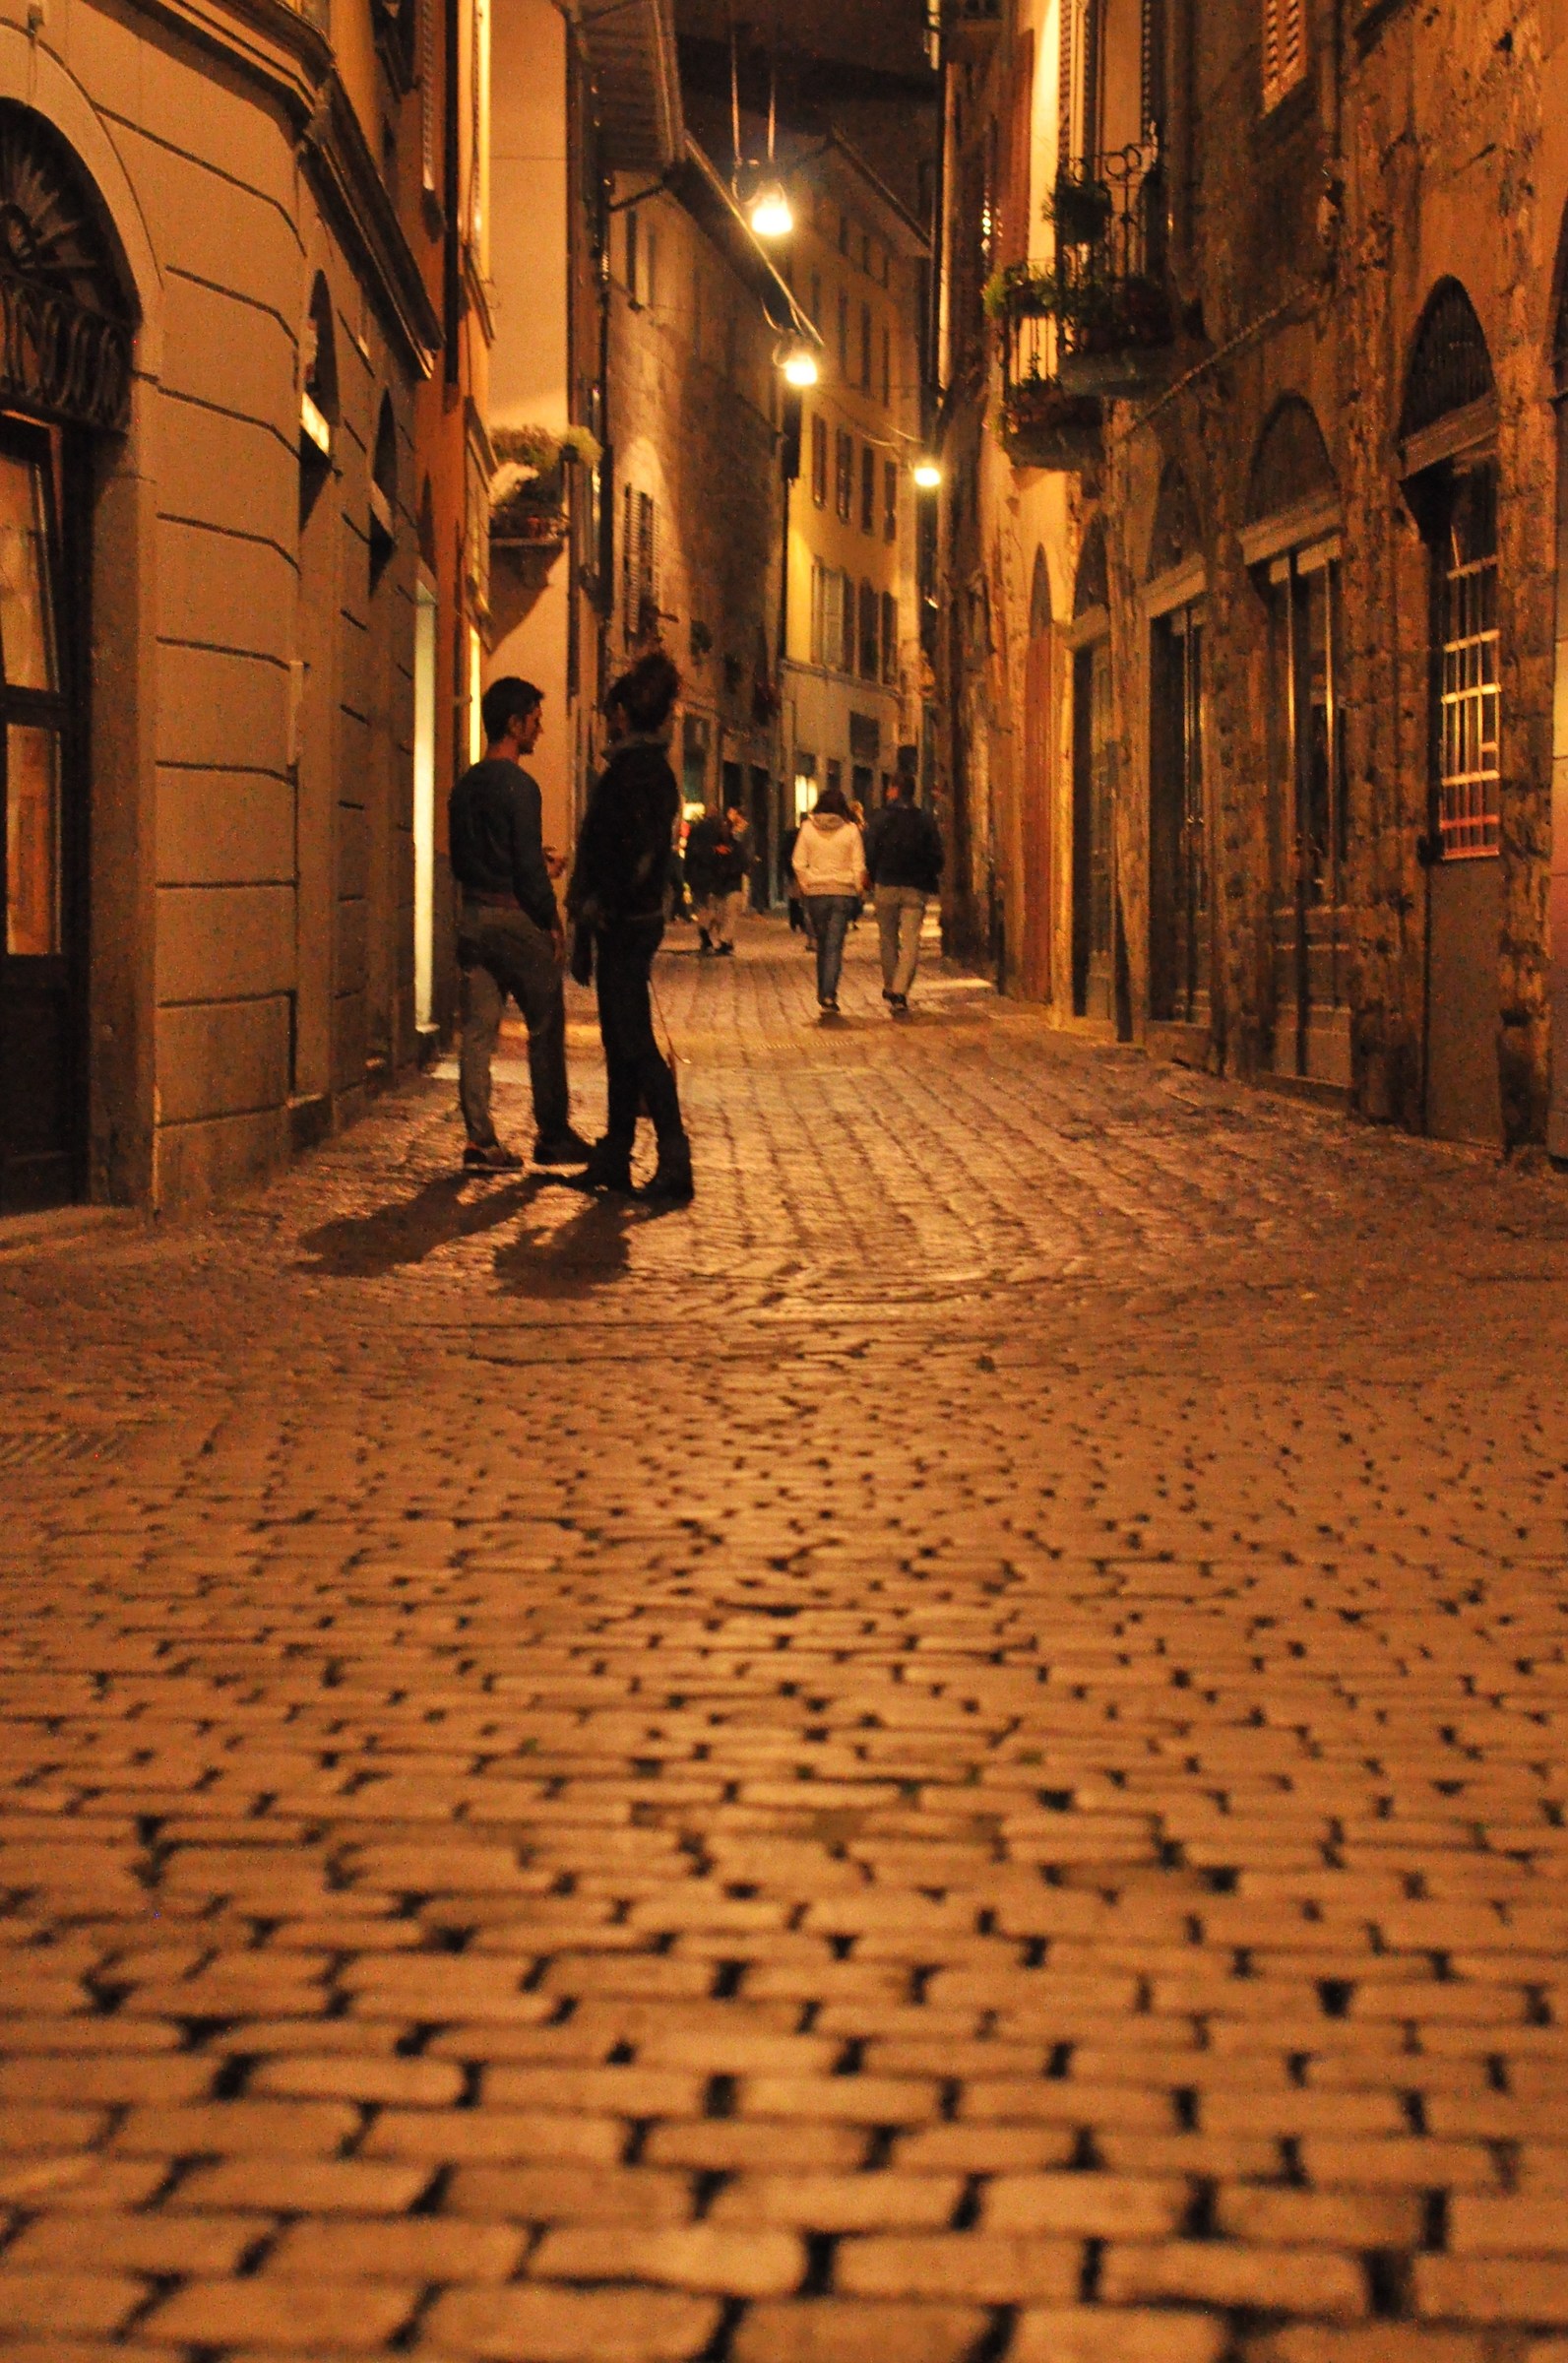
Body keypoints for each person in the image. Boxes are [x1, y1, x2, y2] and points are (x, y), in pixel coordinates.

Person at [449, 677, 594, 1174]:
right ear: (514, 724)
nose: (540, 726)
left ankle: (480, 1140)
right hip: (515, 918)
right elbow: (528, 872)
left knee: (477, 1031)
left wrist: (531, 862)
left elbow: (472, 857)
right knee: (546, 1024)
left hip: (473, 915)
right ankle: (552, 1134)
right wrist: (551, 920)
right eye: (534, 717)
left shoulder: (465, 785)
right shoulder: (520, 787)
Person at [567, 652, 695, 1205]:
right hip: (622, 915)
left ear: (623, 714)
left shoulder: (637, 773)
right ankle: (617, 1152)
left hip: (626, 918)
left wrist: (606, 905)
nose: (606, 720)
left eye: (610, 711)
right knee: (620, 1039)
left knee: (635, 1041)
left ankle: (674, 1157)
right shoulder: (638, 769)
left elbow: (634, 852)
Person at [864, 772, 945, 1013]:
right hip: (915, 887)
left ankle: (891, 985)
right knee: (911, 942)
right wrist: (927, 873)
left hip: (886, 884)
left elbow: (870, 850)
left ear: (895, 790)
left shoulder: (881, 819)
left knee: (887, 939)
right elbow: (937, 855)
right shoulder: (924, 820)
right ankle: (899, 990)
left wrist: (873, 872)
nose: (887, 792)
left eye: (890, 788)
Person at [791, 783, 867, 1015]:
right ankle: (828, 994)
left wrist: (806, 884)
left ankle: (823, 990)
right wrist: (857, 889)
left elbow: (798, 861)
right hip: (842, 894)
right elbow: (858, 865)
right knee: (834, 946)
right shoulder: (851, 830)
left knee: (822, 944)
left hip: (816, 894)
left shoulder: (807, 828)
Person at [685, 801, 750, 955]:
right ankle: (722, 941)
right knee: (718, 912)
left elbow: (692, 855)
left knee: (709, 911)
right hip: (713, 881)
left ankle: (712, 939)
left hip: (705, 880)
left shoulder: (699, 832)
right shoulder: (724, 841)